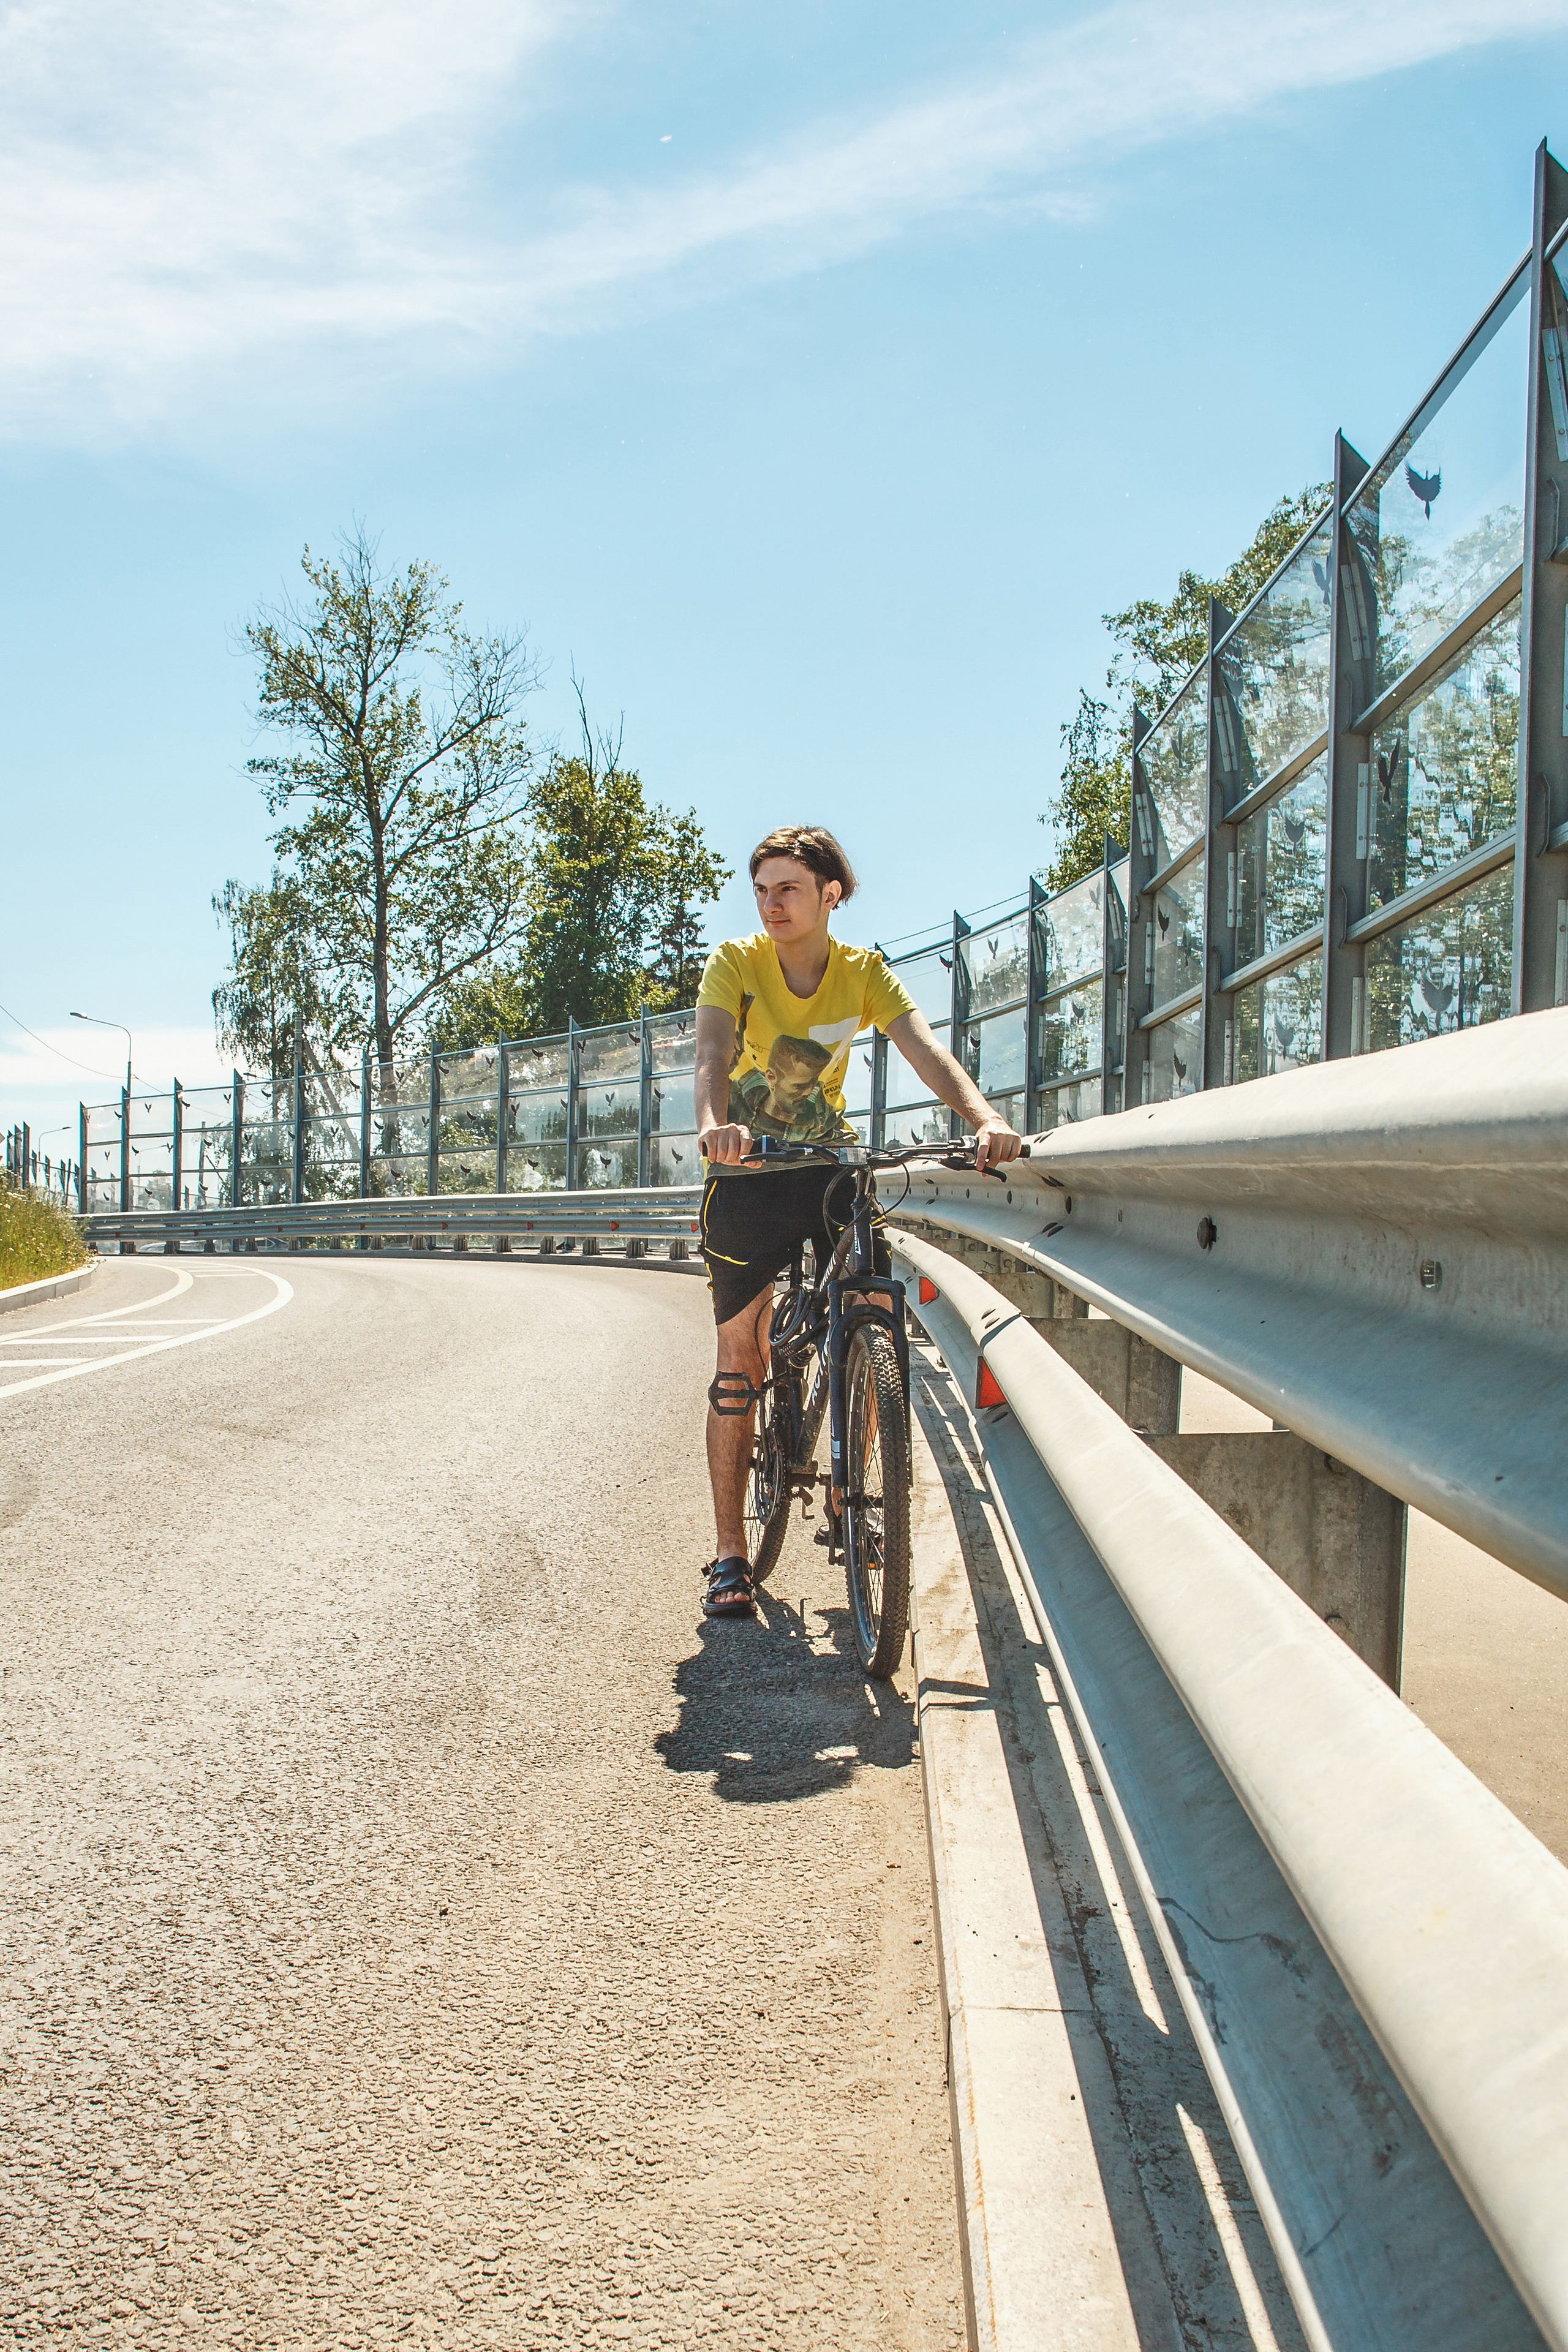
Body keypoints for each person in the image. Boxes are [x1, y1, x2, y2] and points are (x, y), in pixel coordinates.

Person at [693, 824, 1022, 1621]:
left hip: (828, 1165)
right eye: (763, 890)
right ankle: (731, 1553)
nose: (772, 904)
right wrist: (714, 1123)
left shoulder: (862, 973)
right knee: (743, 1359)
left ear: (829, 893)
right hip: (747, 1171)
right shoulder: (737, 965)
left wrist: (983, 1119)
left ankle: (853, 1478)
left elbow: (926, 1051)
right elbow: (710, 1054)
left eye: (789, 889)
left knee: (873, 1302)